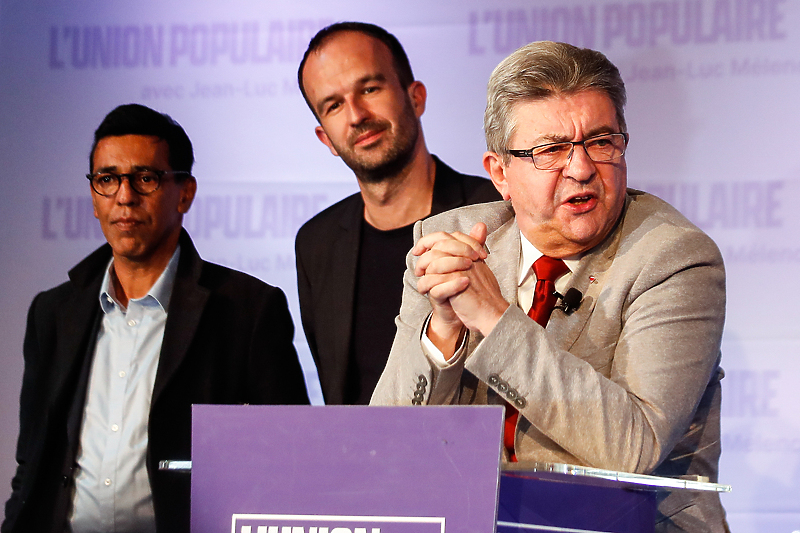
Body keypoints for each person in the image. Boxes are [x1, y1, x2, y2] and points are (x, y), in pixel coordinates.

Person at [371, 41, 729, 532]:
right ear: (500, 173)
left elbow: (635, 448)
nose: (581, 169)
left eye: (602, 142)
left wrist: (494, 320)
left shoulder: (674, 260)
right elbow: (383, 440)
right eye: (551, 150)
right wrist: (444, 329)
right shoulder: (449, 241)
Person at [2, 104, 310, 533]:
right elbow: (31, 462)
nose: (124, 196)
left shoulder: (248, 309)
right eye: (107, 179)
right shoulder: (53, 313)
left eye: (145, 178)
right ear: (93, 197)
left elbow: (288, 459)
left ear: (184, 193)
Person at [295, 22, 501, 405]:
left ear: (416, 97)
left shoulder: (496, 211)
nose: (356, 115)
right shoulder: (316, 243)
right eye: (334, 105)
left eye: (370, 89)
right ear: (326, 138)